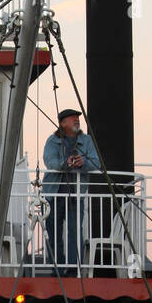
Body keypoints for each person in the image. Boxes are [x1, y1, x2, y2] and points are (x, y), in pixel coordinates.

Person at [42, 108, 101, 275]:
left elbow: (97, 163)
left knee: (75, 231)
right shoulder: (52, 141)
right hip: (54, 193)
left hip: (76, 193)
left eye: (77, 118)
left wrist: (84, 162)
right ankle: (57, 269)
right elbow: (50, 162)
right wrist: (65, 163)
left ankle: (74, 269)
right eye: (72, 118)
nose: (77, 120)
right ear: (63, 123)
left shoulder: (86, 140)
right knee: (53, 232)